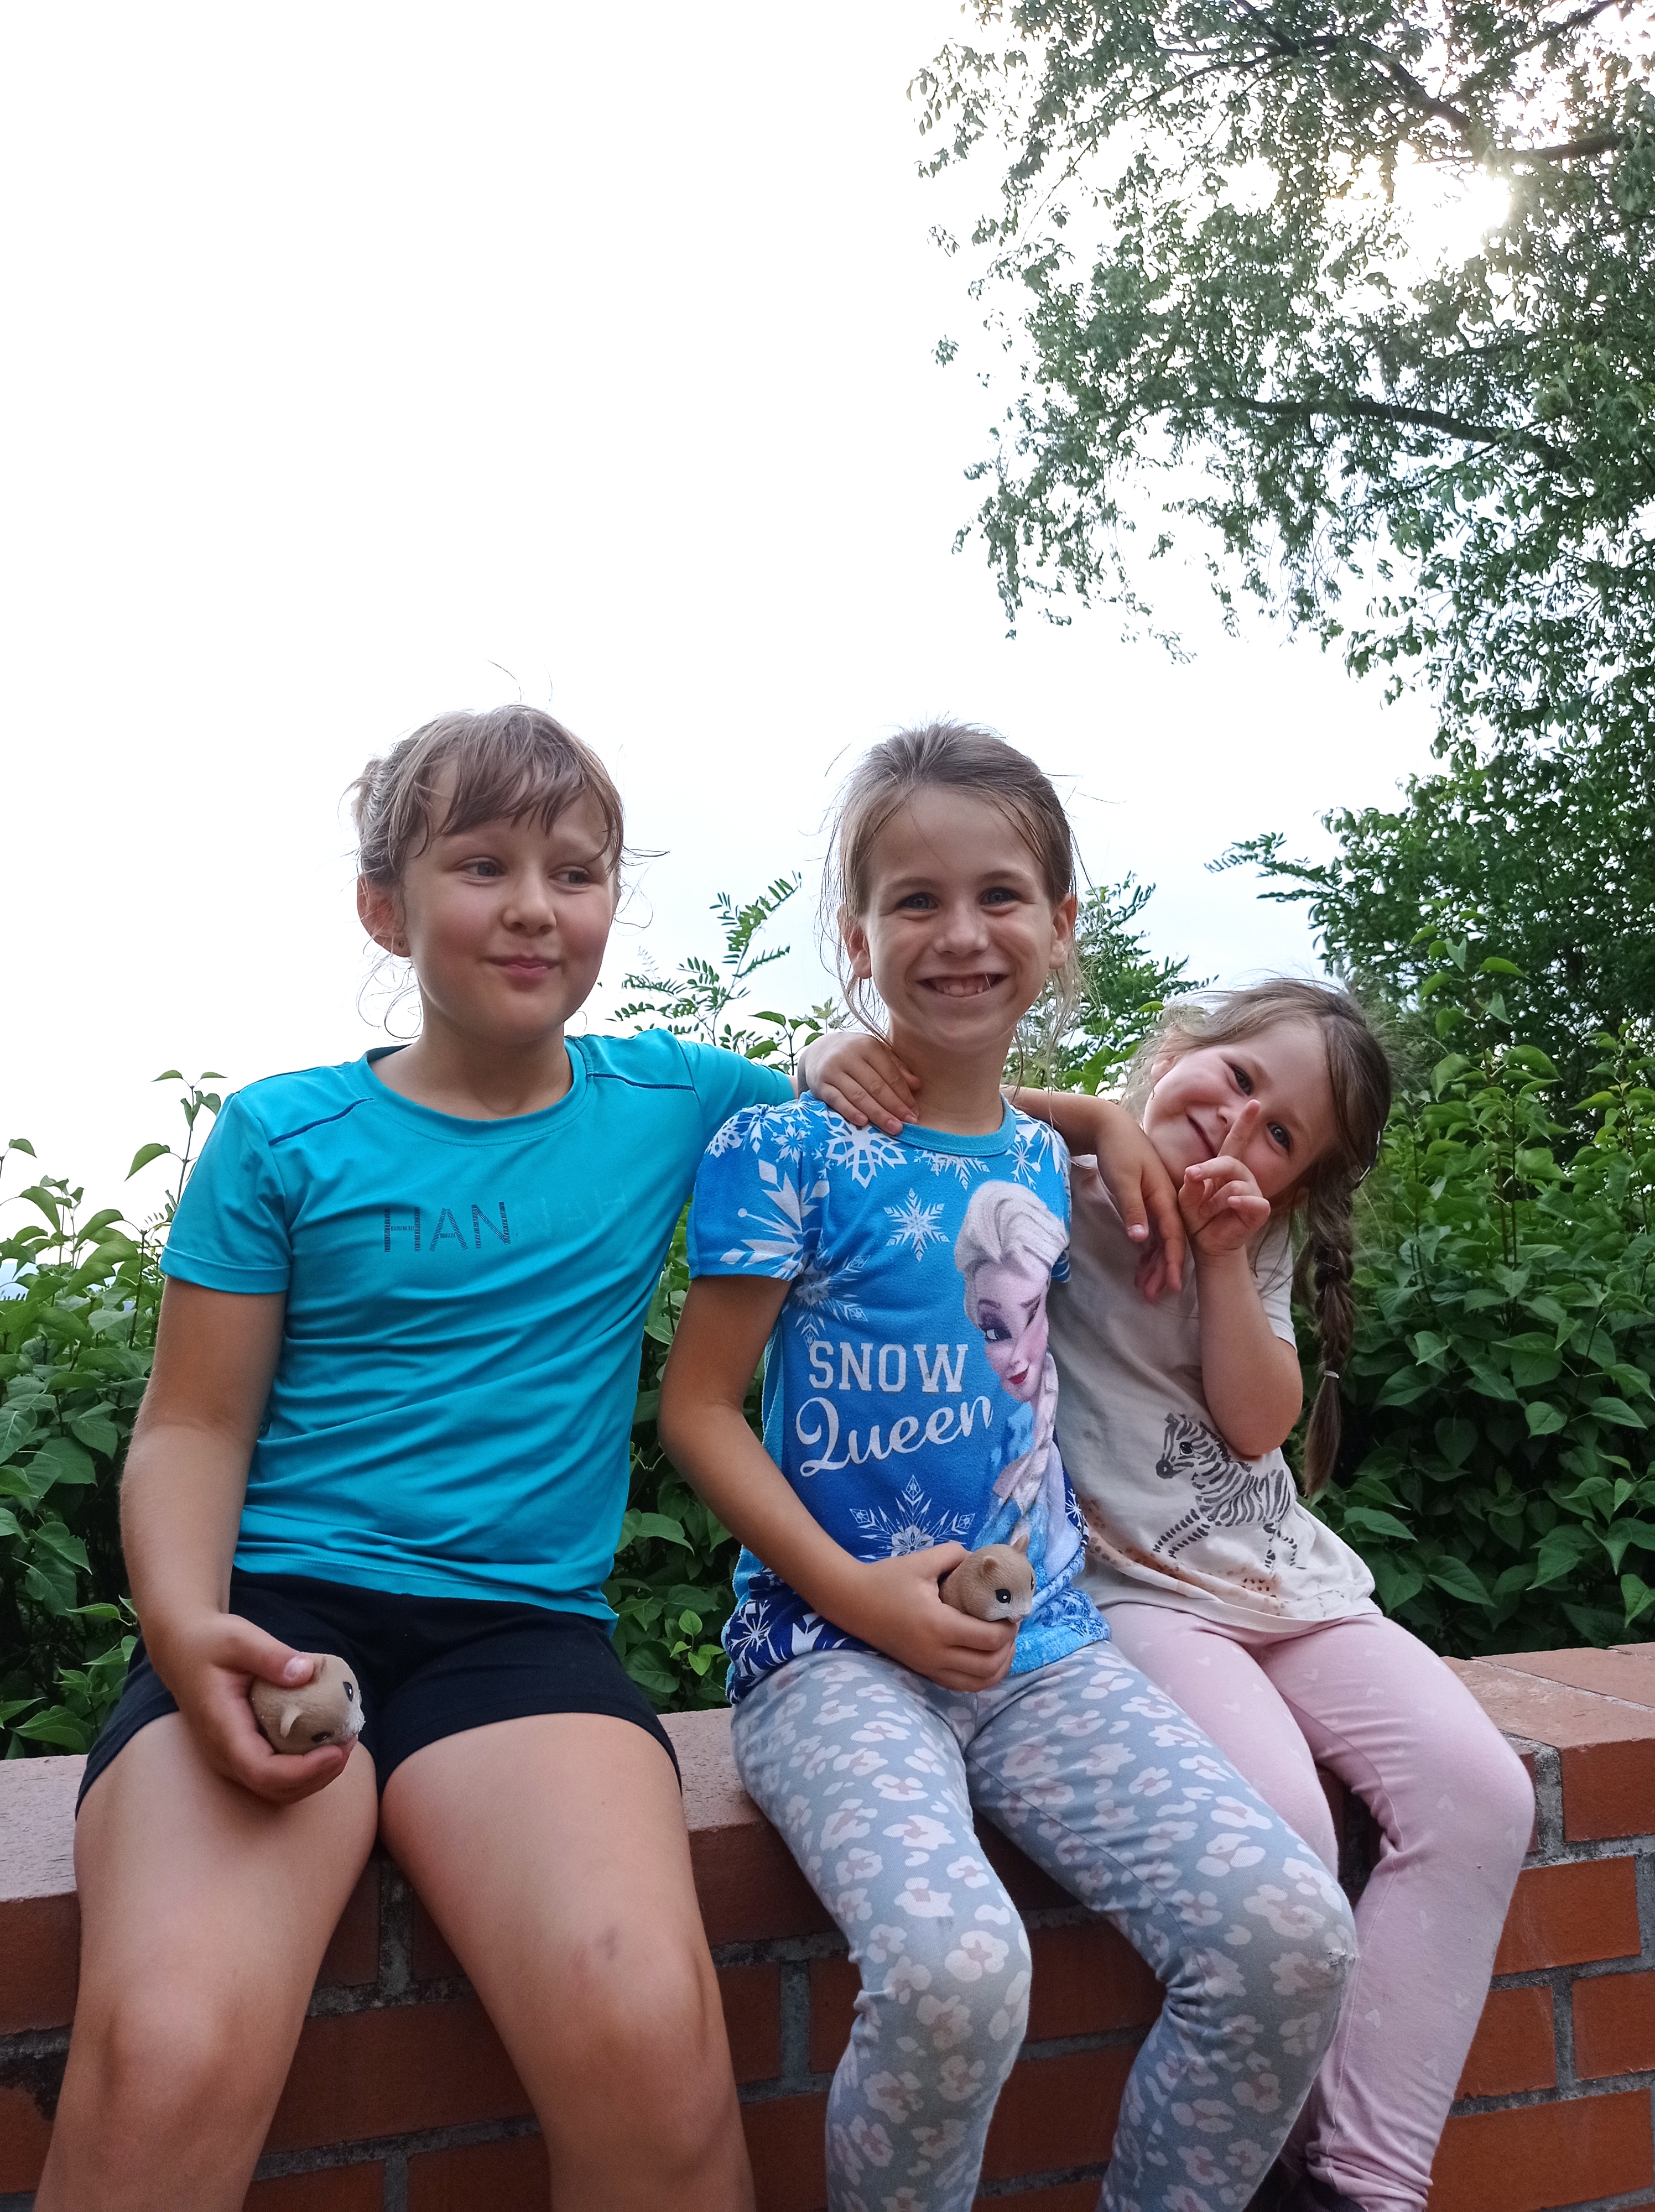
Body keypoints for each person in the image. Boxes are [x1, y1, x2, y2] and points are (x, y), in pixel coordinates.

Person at [38, 703, 907, 2212]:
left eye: (574, 871)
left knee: (648, 2033)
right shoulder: (282, 1135)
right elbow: (192, 1425)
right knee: (168, 2048)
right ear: (386, 907)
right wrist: (183, 1632)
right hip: (272, 1621)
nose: (532, 907)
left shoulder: (678, 1103)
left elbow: (921, 1117)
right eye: (481, 865)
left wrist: (1072, 1114)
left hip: (519, 1642)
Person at [659, 722, 1358, 2212]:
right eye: (914, 900)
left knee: (1291, 1935)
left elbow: (995, 1126)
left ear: (1059, 925)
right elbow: (700, 1409)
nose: (961, 933)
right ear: (857, 937)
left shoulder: (1050, 1160)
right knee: (957, 1974)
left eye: (999, 896)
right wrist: (856, 1596)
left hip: (1049, 1658)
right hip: (827, 1661)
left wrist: (1101, 1112)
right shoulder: (788, 1149)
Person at [1037, 980, 1535, 2212]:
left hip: (1280, 1578)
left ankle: (1366, 2184)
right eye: (1240, 1078)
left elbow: (1259, 1422)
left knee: (1482, 1793)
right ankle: (1274, 2158)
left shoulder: (1248, 1237)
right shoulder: (1045, 1167)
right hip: (1135, 1587)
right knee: (1284, 1835)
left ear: (1296, 1188)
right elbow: (900, 1093)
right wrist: (1094, 1118)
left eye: (1280, 1136)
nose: (1237, 1124)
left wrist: (1220, 1257)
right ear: (1178, 1045)